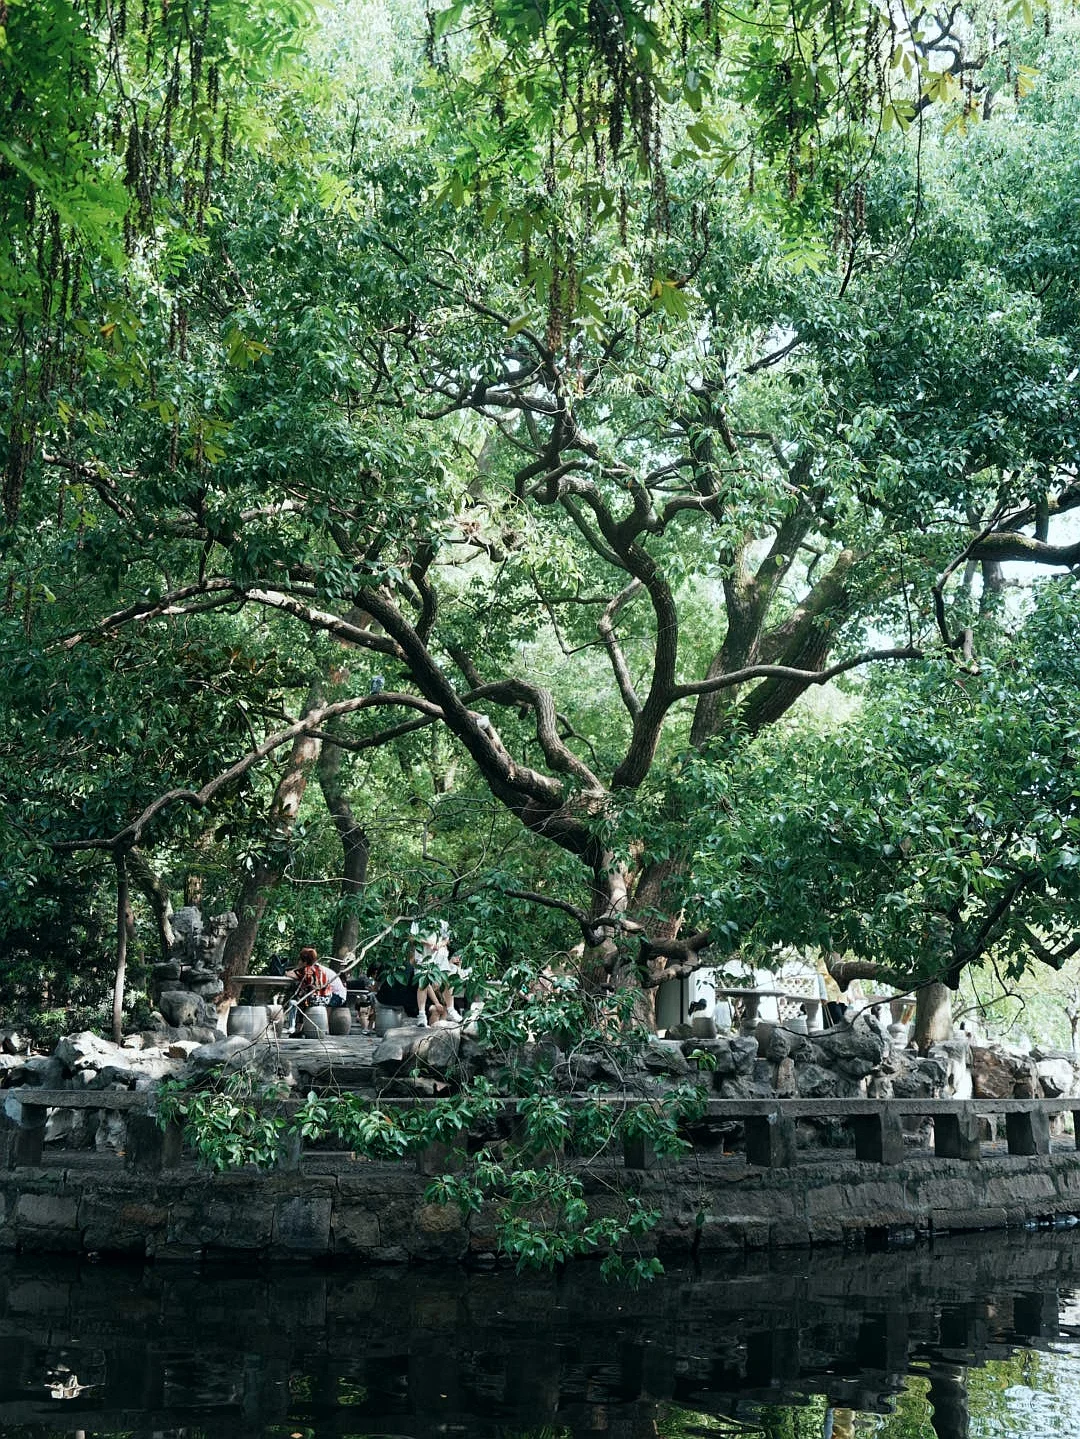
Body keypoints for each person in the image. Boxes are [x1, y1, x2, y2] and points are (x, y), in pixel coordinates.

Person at [286, 946, 348, 1012]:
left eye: (300, 960)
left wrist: (297, 968)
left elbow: (290, 974)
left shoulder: (311, 970)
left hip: (337, 997)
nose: (299, 962)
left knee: (306, 1001)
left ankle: (316, 1020)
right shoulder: (314, 968)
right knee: (305, 999)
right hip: (332, 995)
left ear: (305, 962)